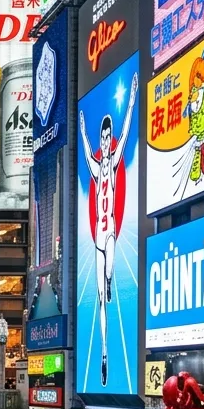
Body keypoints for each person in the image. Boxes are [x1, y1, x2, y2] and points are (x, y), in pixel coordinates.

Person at [78, 68, 138, 386]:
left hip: (110, 230)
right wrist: (85, 129)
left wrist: (130, 104)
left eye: (106, 136)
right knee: (100, 299)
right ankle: (103, 353)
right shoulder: (96, 163)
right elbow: (86, 148)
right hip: (98, 238)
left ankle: (112, 280)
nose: (105, 141)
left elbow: (126, 133)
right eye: (102, 138)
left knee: (110, 274)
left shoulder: (113, 163)